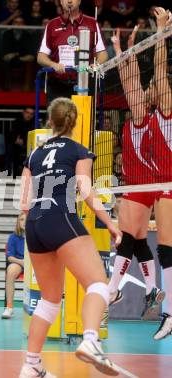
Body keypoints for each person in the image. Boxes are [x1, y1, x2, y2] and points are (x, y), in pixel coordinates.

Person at [19, 97, 122, 377]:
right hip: (60, 216)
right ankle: (91, 341)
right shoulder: (79, 149)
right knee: (98, 284)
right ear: (75, 122)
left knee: (50, 299)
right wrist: (110, 223)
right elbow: (85, 190)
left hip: (35, 224)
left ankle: (31, 364)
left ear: (50, 121)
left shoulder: (35, 154)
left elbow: (24, 200)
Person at [107, 24, 165, 324]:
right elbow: (131, 83)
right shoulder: (142, 116)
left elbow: (130, 84)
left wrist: (121, 53)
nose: (143, 90)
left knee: (126, 239)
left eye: (149, 88)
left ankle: (113, 290)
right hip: (142, 183)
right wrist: (123, 52)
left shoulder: (144, 117)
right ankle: (153, 290)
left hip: (142, 184)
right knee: (139, 242)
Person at [150, 7, 172, 340]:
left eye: (155, 85)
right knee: (166, 250)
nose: (152, 87)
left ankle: (169, 313)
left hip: (169, 186)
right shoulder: (156, 115)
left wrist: (161, 31)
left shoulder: (166, 110)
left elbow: (159, 68)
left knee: (167, 249)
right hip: (163, 185)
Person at [37, 0, 108, 104]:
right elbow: (41, 56)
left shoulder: (92, 23)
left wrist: (96, 65)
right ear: (60, 2)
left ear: (79, 1)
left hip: (85, 84)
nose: (69, 1)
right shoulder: (52, 24)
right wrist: (53, 64)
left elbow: (103, 53)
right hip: (57, 86)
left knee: (83, 120)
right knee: (58, 120)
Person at [2, 212, 26, 319]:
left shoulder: (36, 235)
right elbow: (10, 257)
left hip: (34, 264)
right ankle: (9, 307)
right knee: (10, 271)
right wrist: (22, 262)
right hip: (19, 263)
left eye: (26, 219)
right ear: (18, 222)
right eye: (21, 219)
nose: (24, 222)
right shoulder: (13, 237)